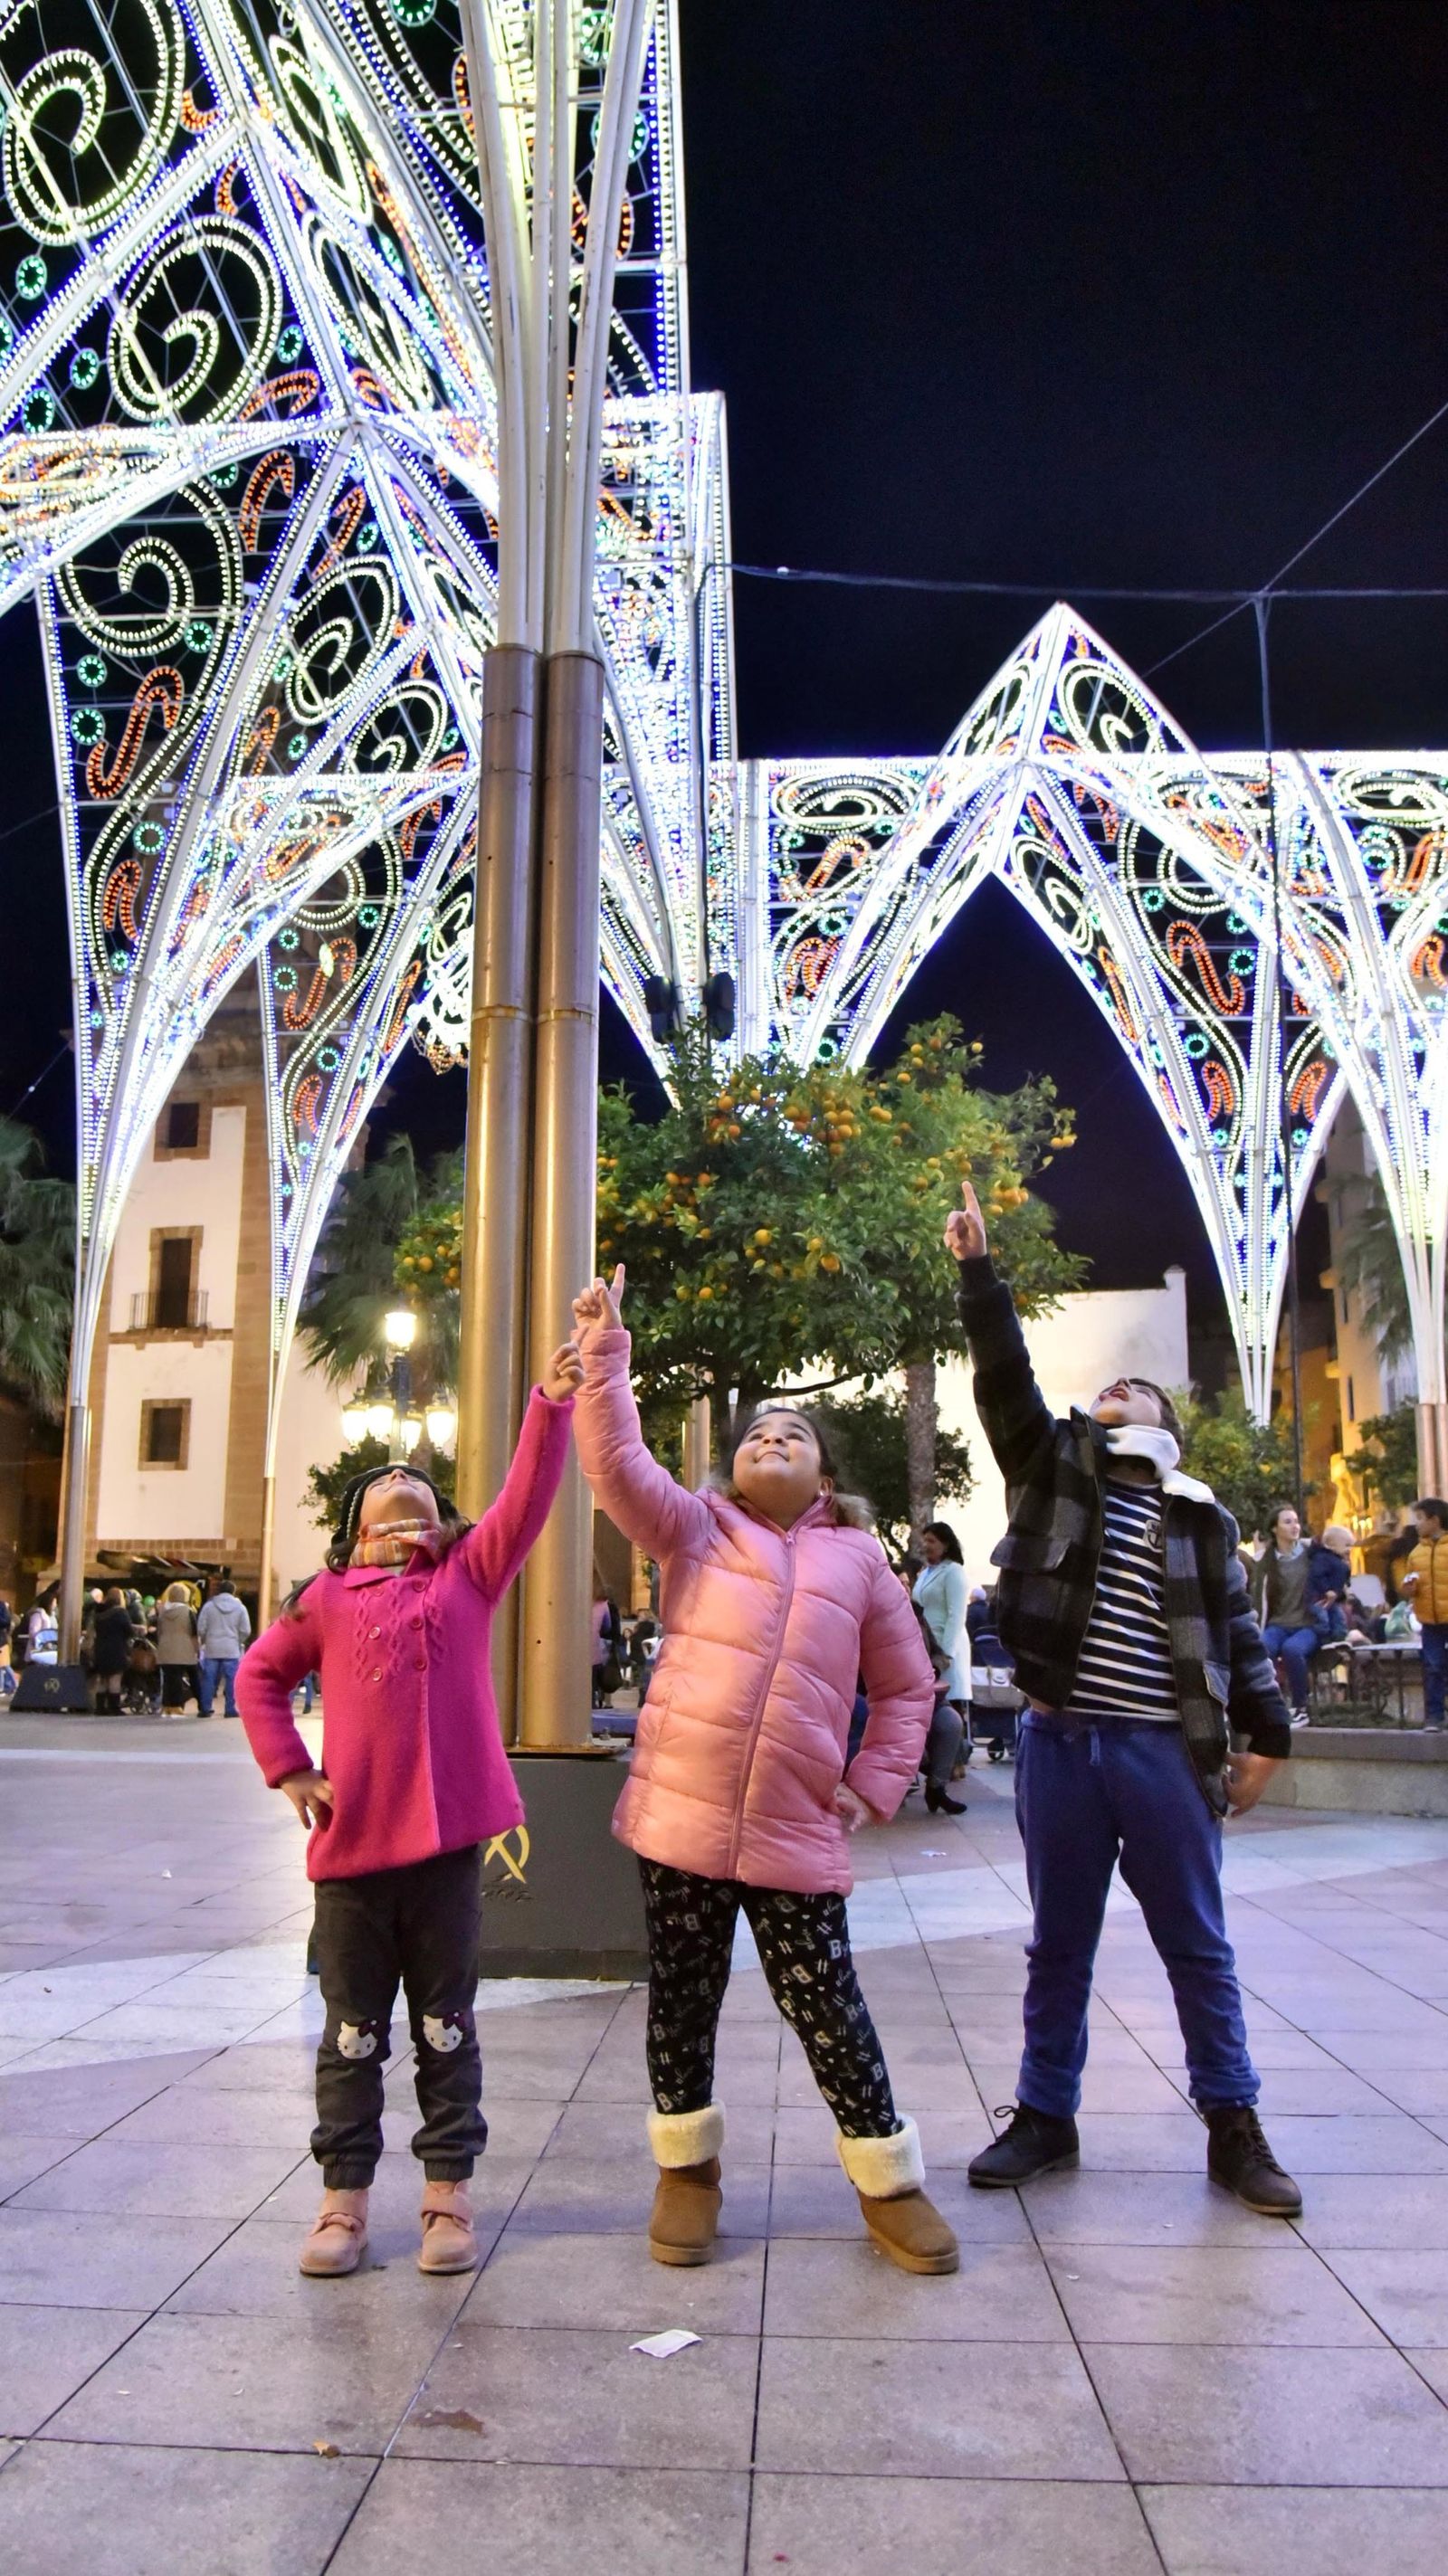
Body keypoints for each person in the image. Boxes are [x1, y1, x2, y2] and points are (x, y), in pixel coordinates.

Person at [572, 1264, 958, 2277]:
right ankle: (686, 2175)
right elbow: (613, 1463)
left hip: (795, 1828)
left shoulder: (862, 1563)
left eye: (792, 1432)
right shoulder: (695, 1532)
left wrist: (874, 1782)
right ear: (731, 1470)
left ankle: (888, 2182)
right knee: (682, 2002)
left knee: (828, 2005)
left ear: (824, 1472)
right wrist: (609, 1354)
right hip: (680, 1821)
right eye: (754, 1435)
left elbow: (910, 1688)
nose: (770, 1439)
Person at [946, 1182, 1302, 2218]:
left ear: (1166, 1427)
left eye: (1137, 1388)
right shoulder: (1053, 1467)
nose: (1116, 1389)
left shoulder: (1198, 1520)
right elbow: (1004, 1379)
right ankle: (1044, 2115)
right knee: (1058, 1940)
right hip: (1059, 1747)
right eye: (1106, 1385)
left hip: (1161, 1751)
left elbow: (1238, 1642)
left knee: (1195, 1941)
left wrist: (1266, 1742)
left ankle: (1231, 2123)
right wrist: (980, 1273)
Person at [236, 1336, 581, 2281]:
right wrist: (290, 1769)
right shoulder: (327, 1597)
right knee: (352, 2036)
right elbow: (258, 1677)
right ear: (352, 1532)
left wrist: (548, 1404)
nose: (401, 1475)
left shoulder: (467, 1575)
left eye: (419, 1482)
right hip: (350, 1863)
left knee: (446, 2028)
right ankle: (342, 2203)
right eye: (383, 1480)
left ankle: (446, 2197)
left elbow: (527, 1497)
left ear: (443, 1521)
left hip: (441, 1862)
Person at [899, 1565, 967, 1813]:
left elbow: (938, 1653)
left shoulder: (919, 1616)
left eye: (907, 1583)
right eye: (900, 1583)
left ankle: (936, 1788)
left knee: (951, 1723)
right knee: (912, 1735)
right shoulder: (875, 1616)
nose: (905, 1588)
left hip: (928, 1693)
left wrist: (933, 1669)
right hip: (895, 1698)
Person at [1252, 1503, 1318, 1726]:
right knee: (1261, 1649)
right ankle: (1270, 1706)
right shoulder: (1265, 1562)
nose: (1295, 1526)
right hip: (1278, 1624)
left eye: (1296, 1521)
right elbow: (1257, 1598)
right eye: (1287, 1522)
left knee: (1293, 1650)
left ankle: (1301, 1707)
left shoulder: (1312, 1554)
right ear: (1274, 1529)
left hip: (1307, 1624)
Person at [1400, 1497, 1448, 1729]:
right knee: (1432, 1667)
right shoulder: (1416, 1552)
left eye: (1419, 1518)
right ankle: (1434, 1716)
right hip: (1429, 1620)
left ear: (1435, 1520)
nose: (1415, 1524)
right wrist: (1409, 1588)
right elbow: (1411, 1582)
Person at [197, 1574, 252, 1716]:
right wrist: (237, 1640)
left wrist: (206, 1639)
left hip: (212, 1648)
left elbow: (201, 1628)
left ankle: (205, 1708)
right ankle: (230, 1709)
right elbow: (246, 1630)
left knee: (209, 1679)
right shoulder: (240, 1608)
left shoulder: (209, 1606)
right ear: (233, 1591)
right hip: (231, 1648)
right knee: (231, 1680)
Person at [90, 1586, 138, 1715]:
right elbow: (129, 1631)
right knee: (115, 1678)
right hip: (116, 1648)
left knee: (102, 1678)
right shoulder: (120, 1612)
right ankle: (114, 1708)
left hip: (100, 1648)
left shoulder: (99, 1613)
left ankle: (100, 1707)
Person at [156, 1583, 200, 1713]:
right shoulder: (188, 1612)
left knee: (169, 1679)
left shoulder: (163, 1612)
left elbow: (159, 1632)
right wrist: (196, 1649)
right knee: (193, 1678)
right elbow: (193, 1632)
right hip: (185, 1650)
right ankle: (197, 1705)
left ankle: (167, 1706)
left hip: (165, 1650)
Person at [22, 1584, 59, 1666]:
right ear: (48, 1603)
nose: (55, 1605)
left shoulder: (52, 1616)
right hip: (38, 1651)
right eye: (54, 1603)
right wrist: (41, 1643)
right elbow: (33, 1632)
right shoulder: (38, 1615)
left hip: (49, 1650)